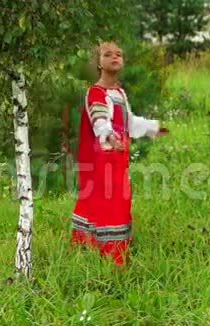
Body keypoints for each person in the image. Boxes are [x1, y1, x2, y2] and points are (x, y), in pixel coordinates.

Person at [70, 41, 168, 265]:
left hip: (116, 162)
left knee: (118, 203)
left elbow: (129, 122)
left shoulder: (120, 93)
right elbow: (99, 118)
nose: (115, 57)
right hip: (100, 163)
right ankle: (110, 258)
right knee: (105, 205)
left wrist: (154, 127)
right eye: (108, 54)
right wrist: (109, 136)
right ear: (98, 63)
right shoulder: (96, 92)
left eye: (119, 54)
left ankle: (106, 253)